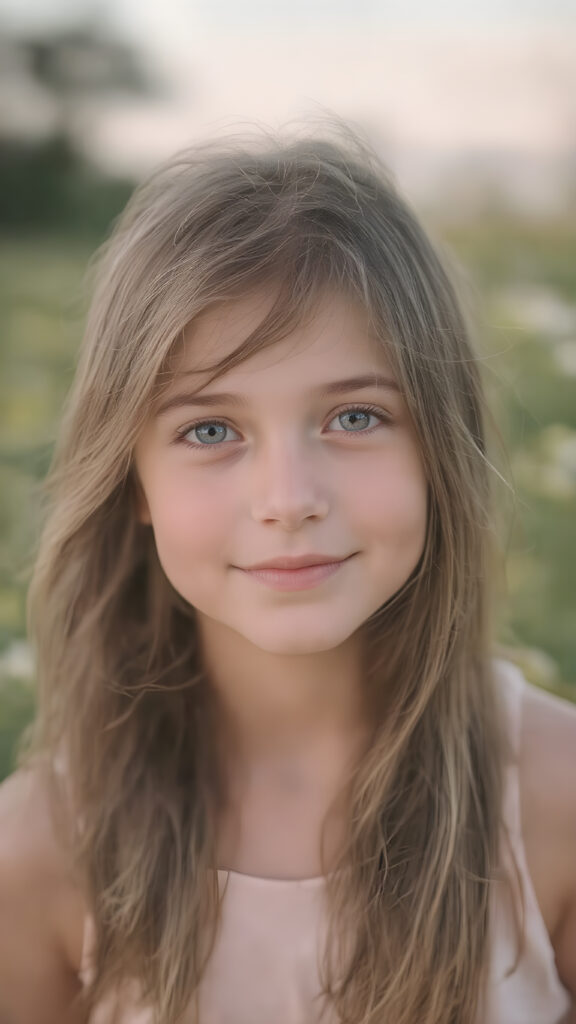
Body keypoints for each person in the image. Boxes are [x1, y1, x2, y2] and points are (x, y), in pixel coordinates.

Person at [0, 121, 574, 1024]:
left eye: (353, 417)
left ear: (439, 444)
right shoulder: (42, 849)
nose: (288, 498)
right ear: (132, 479)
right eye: (209, 430)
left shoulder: (556, 801)